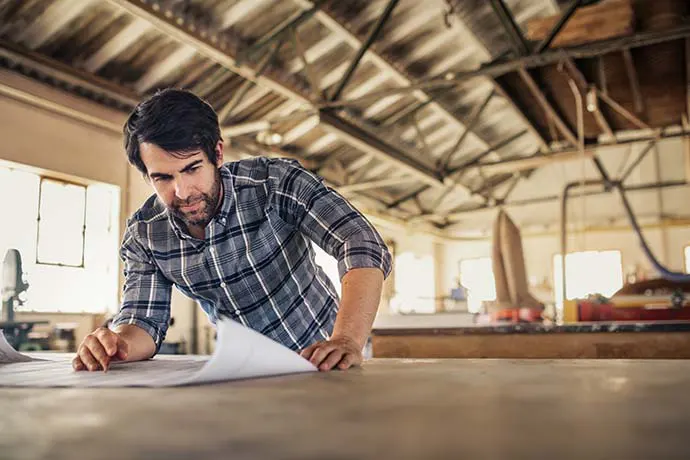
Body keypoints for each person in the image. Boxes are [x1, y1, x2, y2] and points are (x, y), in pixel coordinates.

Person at [72, 89, 391, 373]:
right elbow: (142, 321)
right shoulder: (145, 235)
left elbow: (359, 241)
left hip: (330, 361)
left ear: (218, 154)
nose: (182, 191)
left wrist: (347, 339)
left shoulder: (276, 184)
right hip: (245, 374)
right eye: (163, 178)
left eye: (192, 168)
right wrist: (115, 345)